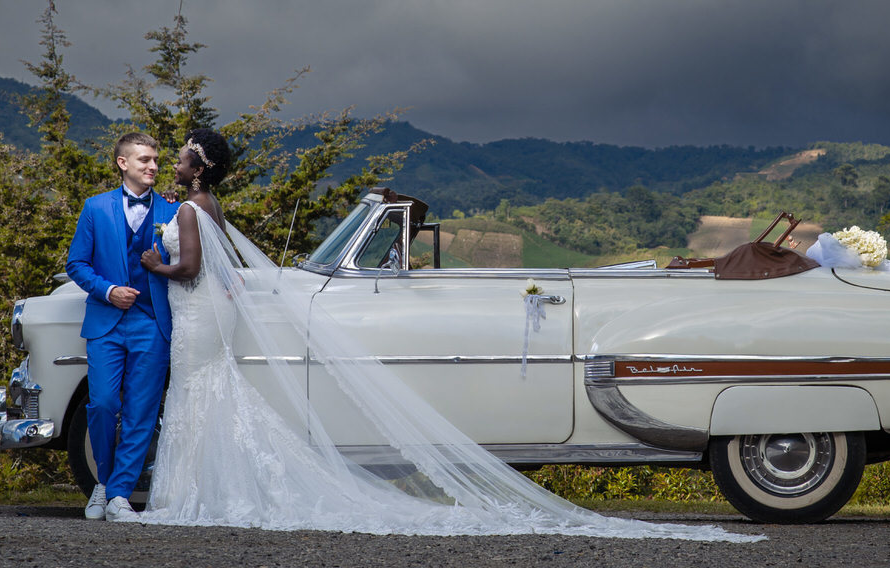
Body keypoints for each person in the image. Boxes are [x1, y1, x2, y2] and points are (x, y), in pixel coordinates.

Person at [136, 128, 758, 542]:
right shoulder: (206, 206)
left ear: (198, 166)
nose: (178, 161)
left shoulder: (193, 208)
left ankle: (188, 489)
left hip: (193, 313)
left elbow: (191, 268)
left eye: (184, 154)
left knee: (203, 397)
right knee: (208, 397)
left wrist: (152, 268)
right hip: (205, 315)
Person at [66, 132, 178, 522]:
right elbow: (76, 264)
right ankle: (104, 482)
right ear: (123, 163)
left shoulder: (172, 212)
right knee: (102, 404)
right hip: (105, 322)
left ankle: (118, 496)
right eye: (145, 159)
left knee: (141, 410)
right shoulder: (95, 209)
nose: (153, 167)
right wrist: (108, 289)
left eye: (157, 160)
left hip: (152, 322)